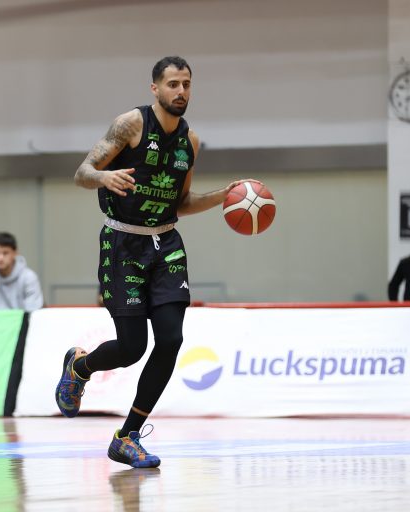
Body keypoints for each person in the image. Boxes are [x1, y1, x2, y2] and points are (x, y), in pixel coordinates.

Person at [55, 56, 256, 468]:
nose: (181, 91)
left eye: (186, 84)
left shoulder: (190, 141)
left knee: (170, 340)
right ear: (155, 88)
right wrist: (103, 177)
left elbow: (181, 203)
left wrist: (223, 196)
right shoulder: (131, 124)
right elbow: (81, 172)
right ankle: (79, 366)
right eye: (173, 84)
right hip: (123, 241)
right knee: (132, 347)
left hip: (166, 245)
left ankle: (127, 436)